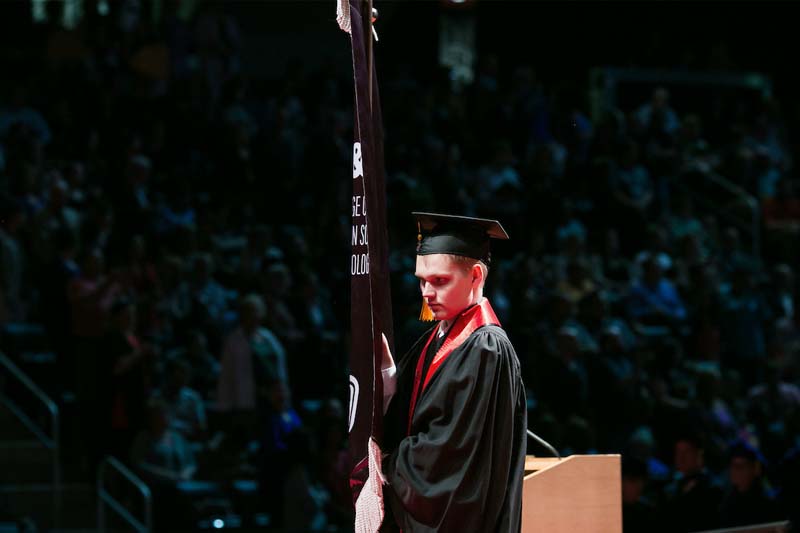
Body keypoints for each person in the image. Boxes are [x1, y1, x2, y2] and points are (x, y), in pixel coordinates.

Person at [378, 212, 527, 532]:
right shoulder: (434, 338)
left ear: (475, 276)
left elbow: (448, 458)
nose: (426, 294)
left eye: (440, 281)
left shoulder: (486, 349)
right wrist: (390, 382)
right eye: (422, 280)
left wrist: (389, 462)